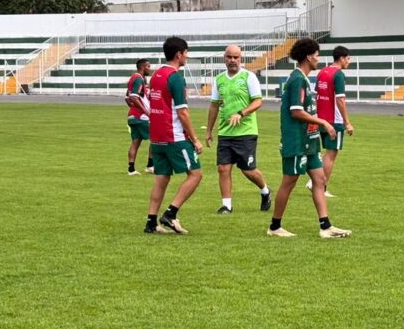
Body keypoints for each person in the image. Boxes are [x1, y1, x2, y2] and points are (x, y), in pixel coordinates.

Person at [267, 38, 351, 239]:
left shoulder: (304, 79)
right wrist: (323, 122)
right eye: (317, 55)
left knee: (319, 179)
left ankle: (325, 226)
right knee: (289, 181)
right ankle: (274, 226)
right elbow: (296, 111)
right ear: (308, 56)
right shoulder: (296, 79)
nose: (318, 59)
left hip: (309, 140)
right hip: (296, 141)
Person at [143, 37, 203, 235]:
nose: (187, 56)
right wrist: (194, 139)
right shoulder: (175, 77)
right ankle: (171, 213)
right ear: (179, 54)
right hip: (174, 136)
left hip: (157, 137)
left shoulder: (156, 74)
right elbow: (182, 112)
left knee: (162, 178)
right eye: (186, 53)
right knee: (195, 174)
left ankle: (151, 222)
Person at [206, 45, 272, 214]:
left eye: (236, 57)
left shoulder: (248, 77)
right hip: (225, 132)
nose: (233, 60)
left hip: (246, 131)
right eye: (229, 57)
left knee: (247, 170)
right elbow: (214, 106)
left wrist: (241, 114)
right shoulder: (219, 79)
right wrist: (209, 131)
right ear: (224, 58)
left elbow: (258, 101)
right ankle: (227, 205)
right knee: (223, 168)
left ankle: (265, 190)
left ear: (241, 59)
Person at [309, 46, 355, 198]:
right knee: (331, 154)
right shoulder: (339, 75)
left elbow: (315, 95)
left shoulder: (322, 72)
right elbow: (340, 99)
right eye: (348, 58)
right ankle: (320, 186)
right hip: (334, 121)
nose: (349, 61)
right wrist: (347, 122)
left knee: (323, 153)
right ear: (341, 58)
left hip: (321, 119)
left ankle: (314, 182)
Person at [125, 58, 155, 176]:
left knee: (135, 142)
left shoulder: (135, 79)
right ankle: (150, 165)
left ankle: (131, 169)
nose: (149, 68)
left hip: (132, 116)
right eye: (148, 66)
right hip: (141, 116)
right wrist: (146, 111)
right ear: (142, 67)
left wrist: (133, 108)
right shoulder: (138, 79)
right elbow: (133, 97)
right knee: (156, 138)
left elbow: (127, 98)